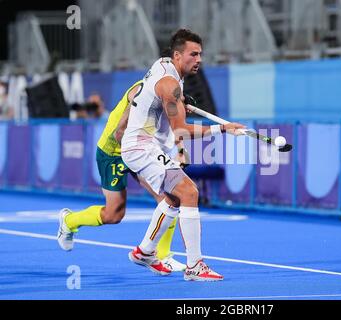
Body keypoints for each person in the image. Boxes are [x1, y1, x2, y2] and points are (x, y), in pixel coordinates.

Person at [121, 29, 245, 281]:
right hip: (140, 146)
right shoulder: (170, 84)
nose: (199, 59)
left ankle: (145, 251)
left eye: (200, 54)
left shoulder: (164, 66)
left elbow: (149, 96)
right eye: (193, 54)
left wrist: (177, 102)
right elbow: (181, 129)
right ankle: (194, 266)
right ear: (178, 55)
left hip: (145, 144)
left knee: (175, 198)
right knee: (189, 192)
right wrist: (223, 128)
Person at [57, 79, 187, 272]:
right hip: (113, 153)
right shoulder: (142, 88)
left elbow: (174, 125)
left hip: (140, 149)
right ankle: (69, 221)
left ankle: (162, 255)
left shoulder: (170, 89)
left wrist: (180, 146)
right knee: (113, 214)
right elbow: (120, 132)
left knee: (170, 196)